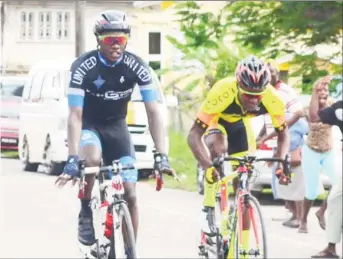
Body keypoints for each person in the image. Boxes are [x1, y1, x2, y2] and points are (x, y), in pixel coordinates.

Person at [54, 10, 175, 252]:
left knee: (130, 194)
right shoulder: (83, 67)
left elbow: (153, 112)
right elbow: (75, 115)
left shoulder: (137, 66)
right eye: (110, 40)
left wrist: (161, 155)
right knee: (92, 160)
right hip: (89, 124)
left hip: (117, 127)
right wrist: (72, 158)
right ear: (98, 39)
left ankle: (130, 251)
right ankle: (86, 211)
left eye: (122, 39)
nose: (116, 45)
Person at [187, 55, 290, 255]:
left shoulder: (273, 98)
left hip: (240, 126)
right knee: (218, 148)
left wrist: (282, 160)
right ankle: (208, 207)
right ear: (238, 85)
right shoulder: (222, 91)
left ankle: (242, 246)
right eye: (247, 94)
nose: (253, 99)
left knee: (244, 180)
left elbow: (283, 134)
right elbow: (193, 136)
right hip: (217, 121)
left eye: (257, 95)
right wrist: (207, 165)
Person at [256, 63, 306, 228]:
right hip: (279, 143)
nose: (271, 74)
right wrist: (261, 137)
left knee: (295, 180)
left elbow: (299, 112)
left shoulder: (283, 90)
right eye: (268, 72)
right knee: (282, 180)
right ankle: (294, 214)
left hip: (290, 142)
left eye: (273, 72)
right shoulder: (266, 92)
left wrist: (281, 130)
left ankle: (300, 218)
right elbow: (268, 119)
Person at [299, 76, 338, 233]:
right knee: (311, 190)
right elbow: (312, 118)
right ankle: (303, 221)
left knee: (338, 185)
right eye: (320, 90)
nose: (324, 93)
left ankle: (321, 212)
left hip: (328, 151)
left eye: (326, 90)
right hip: (312, 152)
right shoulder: (309, 107)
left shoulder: (333, 105)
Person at [311, 96, 342, 258]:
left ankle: (331, 247)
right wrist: (315, 93)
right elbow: (316, 117)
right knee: (336, 199)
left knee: (336, 198)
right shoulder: (339, 108)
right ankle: (331, 247)